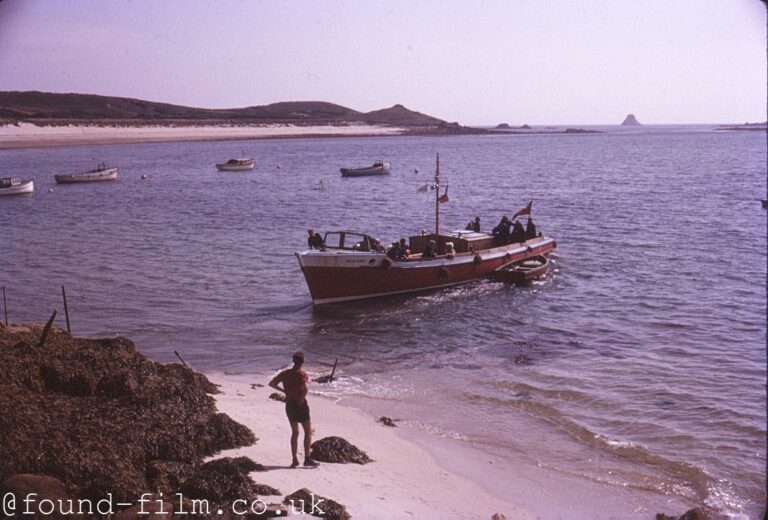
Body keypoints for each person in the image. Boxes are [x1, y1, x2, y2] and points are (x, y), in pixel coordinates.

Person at [269, 352, 318, 468]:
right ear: (303, 361)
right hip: (300, 404)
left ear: (293, 361)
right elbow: (305, 389)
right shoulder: (302, 373)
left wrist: (284, 391)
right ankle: (307, 458)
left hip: (289, 404)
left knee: (295, 432)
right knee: (307, 431)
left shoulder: (285, 373)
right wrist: (301, 399)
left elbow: (272, 383)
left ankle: (294, 460)